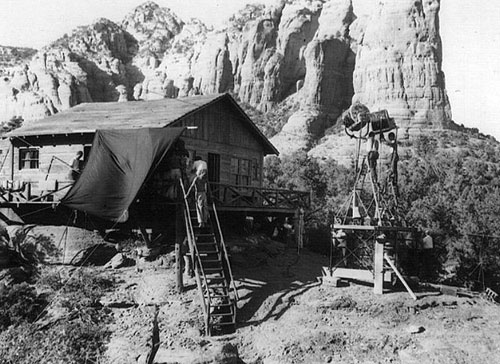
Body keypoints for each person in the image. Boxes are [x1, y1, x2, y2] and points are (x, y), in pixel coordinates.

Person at [188, 156, 209, 228]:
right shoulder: (204, 162)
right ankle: (205, 220)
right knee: (205, 206)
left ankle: (201, 222)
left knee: (199, 207)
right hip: (205, 172)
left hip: (199, 193)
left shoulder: (196, 163)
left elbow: (192, 170)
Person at [382, 132, 399, 197]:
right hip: (391, 161)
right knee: (389, 176)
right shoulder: (393, 144)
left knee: (389, 175)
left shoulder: (393, 142)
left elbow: (390, 144)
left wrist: (383, 140)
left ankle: (385, 190)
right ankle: (387, 189)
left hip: (392, 161)